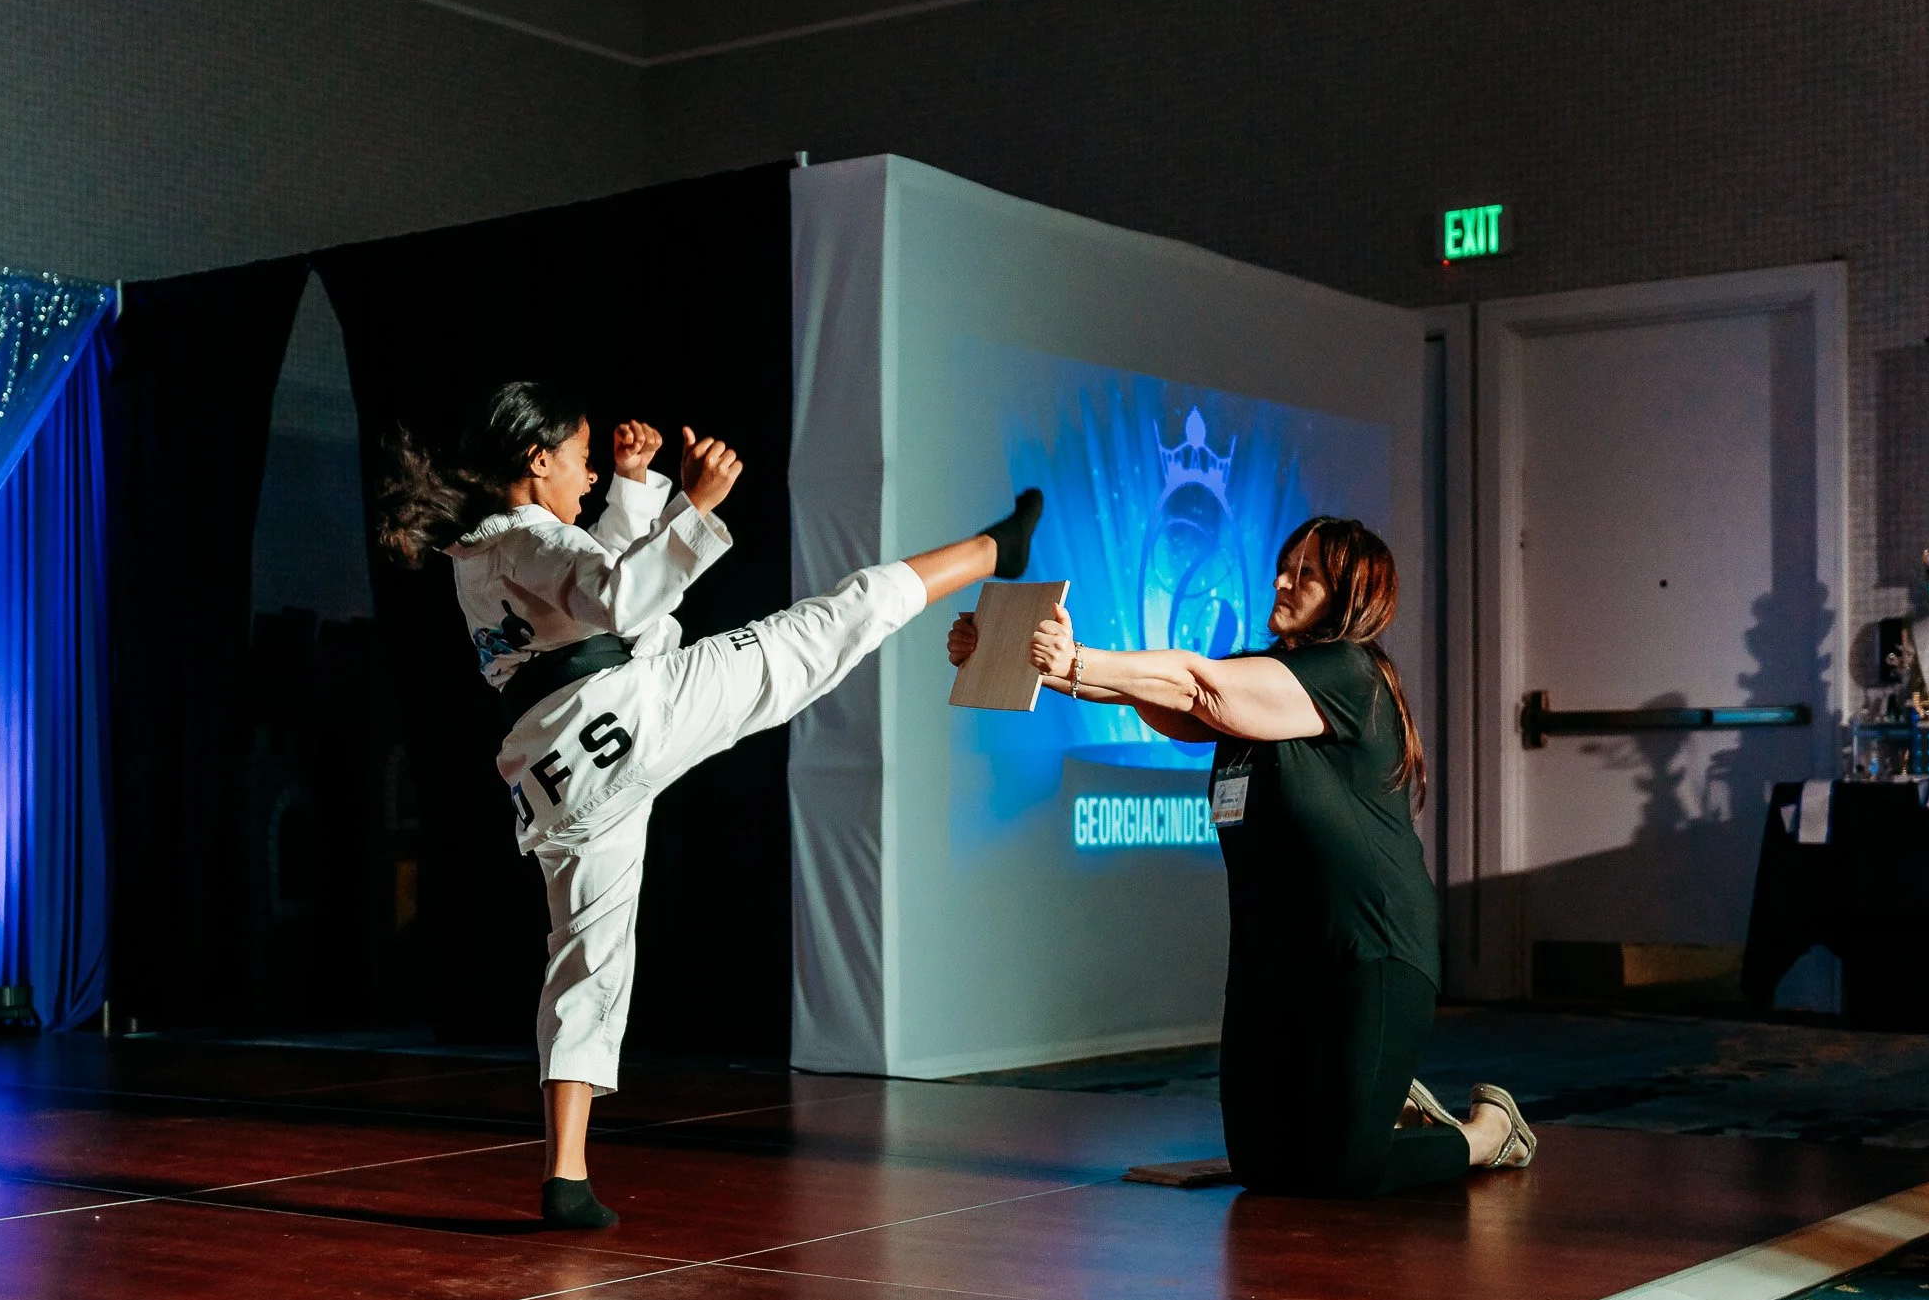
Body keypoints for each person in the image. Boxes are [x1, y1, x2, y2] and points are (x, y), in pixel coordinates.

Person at [374, 380, 1042, 1228]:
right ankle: (993, 551)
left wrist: (633, 485)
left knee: (586, 960)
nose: (585, 479)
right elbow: (617, 596)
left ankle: (567, 1175)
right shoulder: (528, 538)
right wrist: (693, 504)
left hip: (563, 773)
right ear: (536, 460)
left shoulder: (483, 552)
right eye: (581, 462)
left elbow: (594, 596)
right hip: (630, 718)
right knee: (830, 623)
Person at [949, 515, 1533, 1195]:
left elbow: (1196, 684)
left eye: (1306, 573)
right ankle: (1378, 1107)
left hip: (1367, 955)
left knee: (1347, 1171)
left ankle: (1484, 1134)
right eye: (1285, 564)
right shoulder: (1266, 681)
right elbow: (1167, 697)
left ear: (1350, 593)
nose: (1283, 578)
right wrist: (1017, 654)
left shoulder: (1349, 673)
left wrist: (1075, 658)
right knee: (1264, 1165)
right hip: (1275, 965)